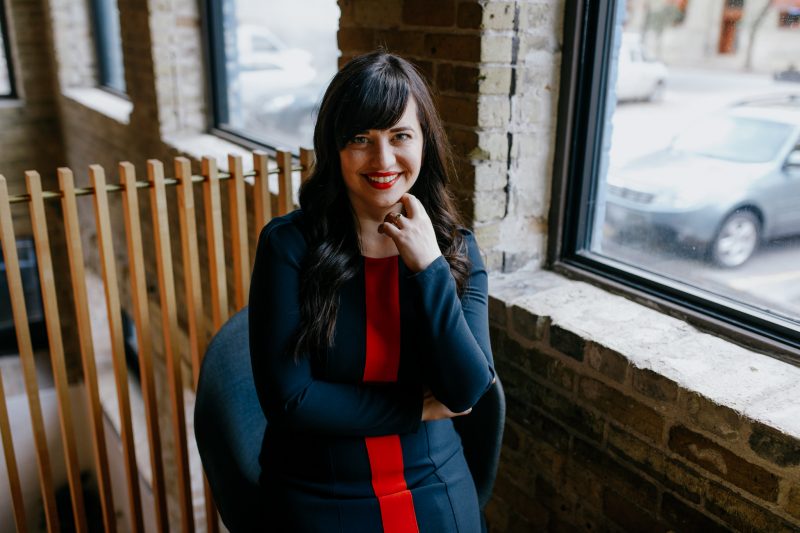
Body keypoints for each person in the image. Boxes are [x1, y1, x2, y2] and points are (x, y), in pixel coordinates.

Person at [248, 50, 495, 532]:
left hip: (433, 481)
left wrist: (428, 267)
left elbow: (465, 390)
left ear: (425, 143)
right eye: (361, 138)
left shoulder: (456, 248)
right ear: (334, 148)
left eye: (400, 136)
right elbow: (291, 402)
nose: (383, 160)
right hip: (318, 489)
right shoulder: (289, 246)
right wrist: (415, 407)